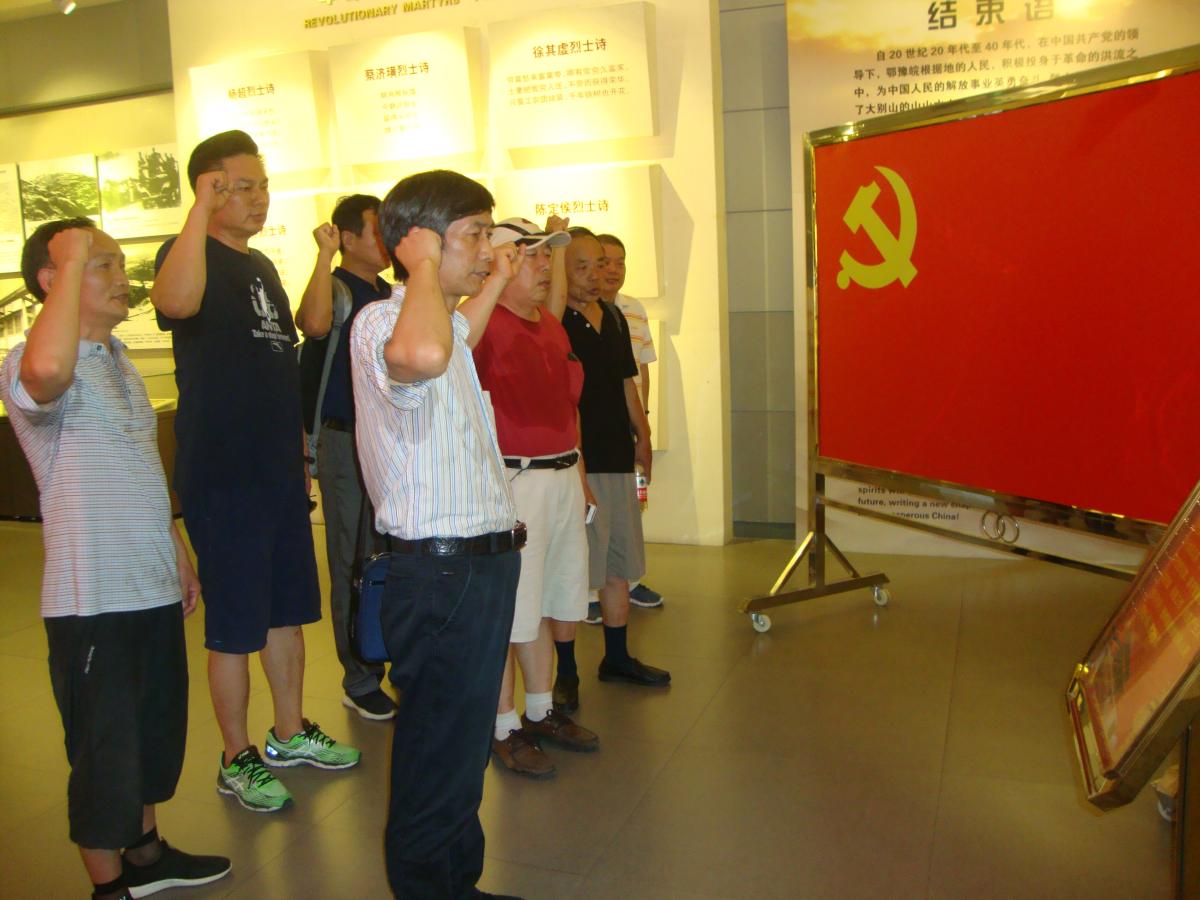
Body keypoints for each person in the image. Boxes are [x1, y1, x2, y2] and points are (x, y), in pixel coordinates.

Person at [2, 219, 231, 900]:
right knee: (104, 752)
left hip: (149, 583)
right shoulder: (31, 361)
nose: (120, 275)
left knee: (153, 734)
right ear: (54, 278)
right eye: (98, 263)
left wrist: (176, 549)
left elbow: (140, 470)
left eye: (113, 262)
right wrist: (71, 260)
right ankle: (109, 889)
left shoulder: (119, 361)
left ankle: (146, 854)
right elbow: (46, 373)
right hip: (92, 599)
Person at [152, 130, 359, 815]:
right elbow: (175, 305)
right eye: (241, 187)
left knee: (286, 612)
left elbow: (291, 351)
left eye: (263, 186)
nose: (259, 198)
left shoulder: (262, 265)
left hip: (277, 473)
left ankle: (289, 732)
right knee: (236, 623)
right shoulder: (186, 253)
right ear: (208, 189)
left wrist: (298, 454)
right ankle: (236, 755)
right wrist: (198, 211)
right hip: (224, 474)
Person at [350, 169, 525, 898]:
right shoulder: (383, 323)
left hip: (477, 568)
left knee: (461, 749)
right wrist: (421, 264)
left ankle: (457, 883)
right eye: (474, 234)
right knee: (436, 755)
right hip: (441, 574)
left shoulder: (442, 324)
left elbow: (453, 338)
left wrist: (493, 276)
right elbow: (421, 357)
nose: (487, 248)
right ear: (420, 241)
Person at [472, 217, 600, 778]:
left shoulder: (551, 326)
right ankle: (503, 725)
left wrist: (581, 474)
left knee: (550, 599)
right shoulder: (480, 325)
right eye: (532, 255)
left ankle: (541, 709)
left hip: (563, 475)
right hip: (514, 482)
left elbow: (567, 409)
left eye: (548, 255)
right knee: (510, 610)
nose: (546, 265)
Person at [295, 194, 395, 721]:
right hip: (345, 440)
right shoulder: (334, 288)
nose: (385, 240)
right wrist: (322, 255)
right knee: (352, 560)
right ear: (348, 237)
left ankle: (388, 654)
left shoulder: (390, 293)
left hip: (391, 438)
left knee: (393, 553)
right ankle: (359, 677)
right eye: (376, 230)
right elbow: (312, 324)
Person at [561, 227, 670, 690]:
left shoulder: (614, 316)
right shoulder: (555, 322)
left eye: (602, 264)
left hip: (617, 456)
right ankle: (565, 673)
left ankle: (618, 657)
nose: (597, 274)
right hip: (576, 462)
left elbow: (628, 381)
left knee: (617, 564)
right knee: (571, 570)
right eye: (583, 266)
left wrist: (643, 434)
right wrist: (577, 464)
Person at [597, 232, 663, 609]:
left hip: (630, 426)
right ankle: (593, 592)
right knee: (597, 511)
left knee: (632, 505)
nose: (612, 269)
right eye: (604, 262)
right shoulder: (577, 313)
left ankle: (630, 580)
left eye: (619, 262)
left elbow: (642, 369)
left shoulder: (634, 309)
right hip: (598, 429)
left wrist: (644, 423)